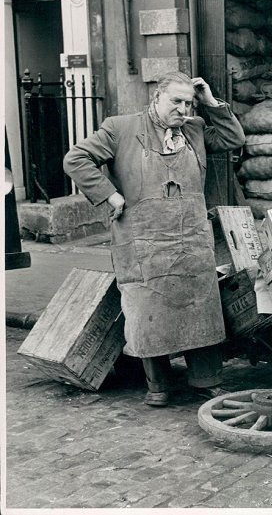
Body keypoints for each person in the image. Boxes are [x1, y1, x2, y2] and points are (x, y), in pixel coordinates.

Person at [64, 72, 245, 406]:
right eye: (176, 101)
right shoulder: (120, 128)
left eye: (188, 102)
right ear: (156, 97)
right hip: (142, 240)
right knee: (148, 311)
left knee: (200, 306)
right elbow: (76, 159)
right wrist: (110, 195)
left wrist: (210, 103)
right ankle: (158, 387)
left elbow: (234, 138)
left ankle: (207, 381)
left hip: (190, 238)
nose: (183, 108)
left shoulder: (194, 129)